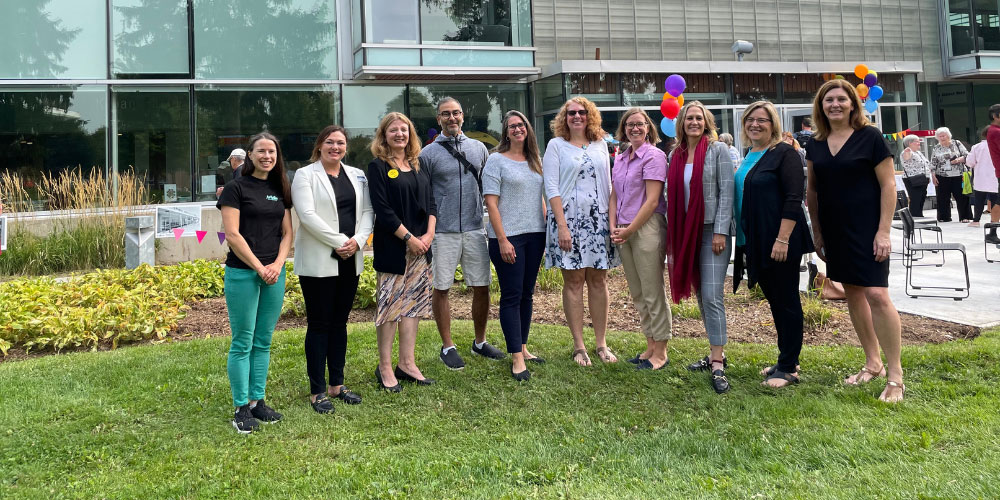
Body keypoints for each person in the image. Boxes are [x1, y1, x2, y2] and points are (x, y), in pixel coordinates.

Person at [805, 79, 904, 403]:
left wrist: (884, 231)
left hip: (868, 228)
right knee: (853, 293)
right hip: (835, 230)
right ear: (821, 106)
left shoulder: (870, 137)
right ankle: (872, 362)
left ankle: (895, 377)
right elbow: (813, 191)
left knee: (877, 294)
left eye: (840, 99)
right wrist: (817, 232)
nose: (834, 104)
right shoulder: (816, 143)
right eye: (828, 100)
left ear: (852, 103)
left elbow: (889, 186)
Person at [291, 125, 373, 413]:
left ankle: (337, 384)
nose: (335, 147)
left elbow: (367, 212)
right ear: (320, 145)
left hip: (351, 258)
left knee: (340, 323)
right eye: (329, 142)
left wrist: (359, 241)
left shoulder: (358, 175)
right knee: (319, 324)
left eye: (340, 143)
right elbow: (307, 215)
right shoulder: (305, 175)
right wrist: (340, 241)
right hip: (318, 261)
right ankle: (316, 391)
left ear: (346, 147)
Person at [733, 101, 813, 388]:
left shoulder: (784, 153)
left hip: (778, 240)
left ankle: (789, 368)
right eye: (750, 120)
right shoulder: (751, 154)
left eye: (762, 120)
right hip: (756, 239)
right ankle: (785, 358)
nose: (755, 124)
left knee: (786, 301)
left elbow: (794, 198)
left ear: (773, 124)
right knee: (777, 302)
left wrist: (782, 239)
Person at [217, 132, 293, 433]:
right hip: (243, 273)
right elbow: (232, 235)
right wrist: (260, 267)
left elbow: (288, 233)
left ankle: (257, 402)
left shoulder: (279, 187)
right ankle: (240, 408)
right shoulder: (235, 188)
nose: (267, 156)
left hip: (274, 273)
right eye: (260, 151)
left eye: (271, 151)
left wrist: (276, 265)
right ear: (249, 155)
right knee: (242, 341)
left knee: (263, 341)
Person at [420, 97, 503, 370]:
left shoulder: (479, 149)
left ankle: (479, 342)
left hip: (474, 227)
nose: (451, 118)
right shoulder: (427, 154)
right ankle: (448, 346)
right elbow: (423, 196)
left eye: (456, 113)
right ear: (438, 119)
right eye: (446, 114)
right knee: (441, 287)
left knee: (482, 286)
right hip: (443, 232)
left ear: (463, 116)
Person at [543, 97, 620, 366]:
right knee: (574, 283)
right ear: (564, 117)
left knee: (599, 282)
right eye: (571, 112)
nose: (577, 116)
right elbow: (551, 188)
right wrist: (562, 226)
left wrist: (611, 223)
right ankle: (579, 346)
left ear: (590, 116)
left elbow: (609, 187)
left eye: (582, 112)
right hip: (568, 223)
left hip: (597, 222)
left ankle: (601, 343)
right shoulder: (556, 146)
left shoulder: (601, 144)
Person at [665, 101, 734, 394]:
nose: (694, 122)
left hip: (712, 232)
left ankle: (717, 362)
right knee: (702, 297)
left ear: (707, 122)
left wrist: (720, 230)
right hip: (687, 232)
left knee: (711, 295)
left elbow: (726, 192)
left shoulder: (718, 150)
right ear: (681, 123)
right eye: (689, 118)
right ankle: (715, 352)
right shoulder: (676, 154)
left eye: (699, 118)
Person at [367, 112, 437, 392]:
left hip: (421, 248)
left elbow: (431, 203)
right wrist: (409, 238)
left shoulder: (418, 165)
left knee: (414, 307)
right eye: (393, 130)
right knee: (389, 309)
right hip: (394, 248)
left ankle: (407, 363)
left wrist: (428, 235)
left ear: (411, 135)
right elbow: (382, 210)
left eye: (404, 130)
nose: (400, 134)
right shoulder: (378, 167)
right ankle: (384, 366)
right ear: (384, 135)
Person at [483, 110, 547, 381]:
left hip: (536, 235)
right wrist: (503, 239)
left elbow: (539, 197)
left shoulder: (535, 160)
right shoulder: (496, 160)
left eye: (521, 125)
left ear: (527, 129)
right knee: (511, 295)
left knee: (527, 294)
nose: (518, 129)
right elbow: (491, 203)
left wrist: (546, 224)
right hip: (509, 238)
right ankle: (516, 358)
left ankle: (523, 347)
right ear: (506, 132)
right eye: (512, 126)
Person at [608, 108, 672, 371]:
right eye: (629, 124)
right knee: (637, 291)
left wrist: (630, 229)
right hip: (623, 229)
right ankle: (649, 345)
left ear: (648, 128)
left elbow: (653, 200)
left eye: (640, 124)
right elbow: (614, 195)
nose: (634, 128)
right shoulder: (621, 158)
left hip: (645, 228)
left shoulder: (654, 156)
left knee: (652, 290)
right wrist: (613, 226)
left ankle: (661, 351)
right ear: (623, 129)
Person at [930, 127, 973, 223]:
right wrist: (933, 176)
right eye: (940, 136)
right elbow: (933, 162)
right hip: (942, 175)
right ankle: (944, 217)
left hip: (958, 174)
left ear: (948, 135)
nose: (942, 138)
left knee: (962, 196)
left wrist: (958, 160)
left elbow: (967, 155)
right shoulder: (937, 147)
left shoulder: (956, 143)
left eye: (943, 135)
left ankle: (965, 216)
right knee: (942, 197)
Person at [965, 126, 999, 228]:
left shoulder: (977, 147)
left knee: (979, 200)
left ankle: (976, 221)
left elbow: (970, 162)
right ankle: (994, 221)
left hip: (981, 177)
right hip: (996, 177)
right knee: (995, 200)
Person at [899, 135, 932, 218]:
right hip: (913, 178)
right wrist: (908, 151)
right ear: (910, 143)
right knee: (915, 197)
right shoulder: (907, 151)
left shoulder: (918, 152)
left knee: (922, 197)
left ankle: (919, 214)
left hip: (922, 178)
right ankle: (914, 215)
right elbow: (906, 158)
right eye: (917, 141)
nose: (919, 143)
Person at [985, 104, 1000, 244]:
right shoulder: (995, 131)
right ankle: (992, 232)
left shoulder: (994, 130)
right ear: (995, 116)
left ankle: (992, 232)